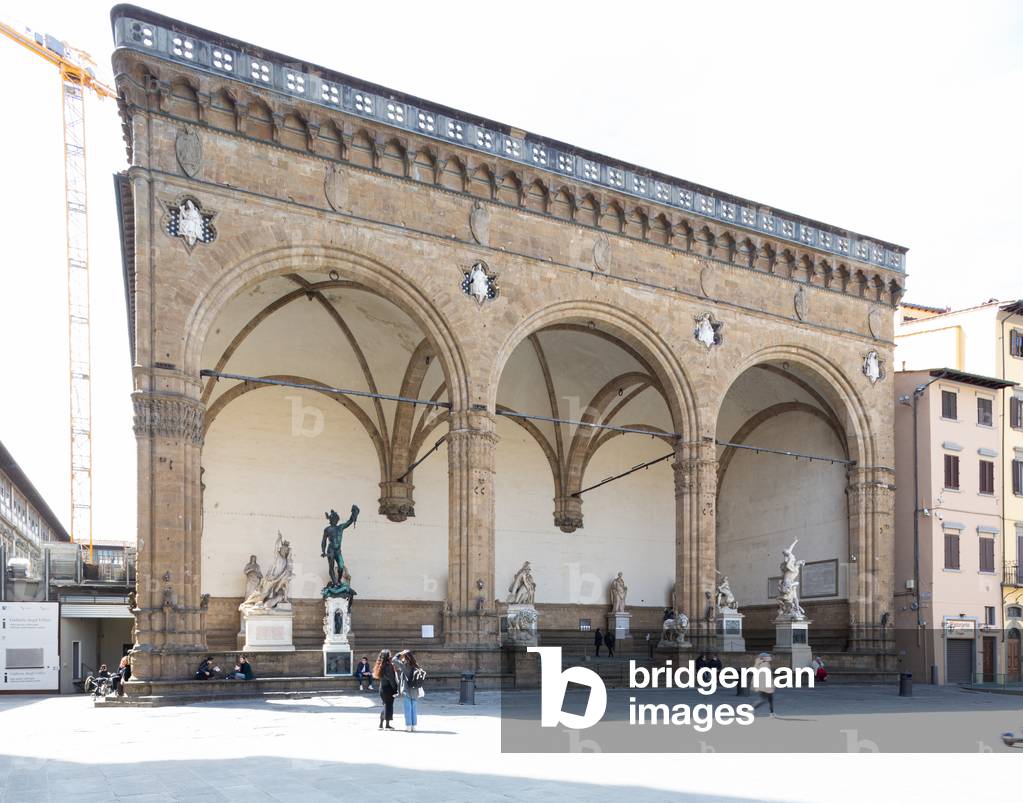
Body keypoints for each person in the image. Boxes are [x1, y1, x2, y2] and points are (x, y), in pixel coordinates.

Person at [394, 650, 426, 732]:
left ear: (405, 657)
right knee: (414, 709)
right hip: (415, 690)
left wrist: (399, 654)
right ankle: (414, 726)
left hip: (407, 690)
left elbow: (394, 660)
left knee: (407, 709)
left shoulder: (405, 666)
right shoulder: (416, 666)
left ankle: (408, 726)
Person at [374, 650, 397, 730]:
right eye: (390, 655)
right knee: (389, 706)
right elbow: (391, 679)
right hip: (388, 688)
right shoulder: (388, 666)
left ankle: (381, 724)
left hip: (382, 688)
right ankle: (387, 725)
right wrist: (395, 689)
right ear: (388, 656)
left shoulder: (379, 665)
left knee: (385, 705)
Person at [751, 652, 775, 717]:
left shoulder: (760, 665)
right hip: (765, 687)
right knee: (763, 699)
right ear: (764, 658)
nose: (770, 658)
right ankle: (751, 709)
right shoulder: (765, 665)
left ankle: (772, 713)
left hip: (764, 686)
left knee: (770, 699)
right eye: (768, 657)